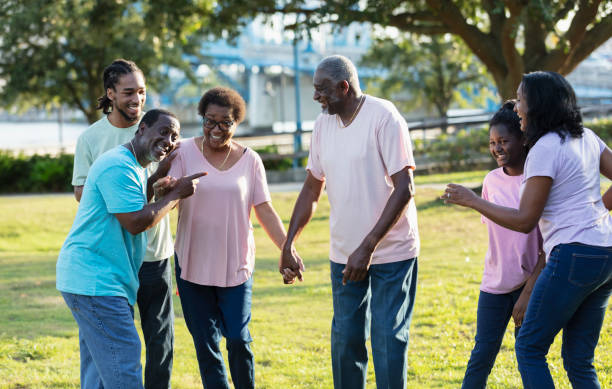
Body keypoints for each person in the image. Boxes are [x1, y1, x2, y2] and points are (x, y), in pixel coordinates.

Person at [443, 71, 612, 389]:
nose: (516, 106)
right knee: (579, 360)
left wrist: (472, 200)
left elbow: (525, 221)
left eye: (521, 99)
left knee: (529, 348)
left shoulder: (545, 148)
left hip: (571, 255)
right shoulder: (586, 137)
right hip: (605, 255)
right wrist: (597, 213)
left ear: (537, 105)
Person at [280, 55, 419, 389]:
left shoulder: (384, 117)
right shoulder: (323, 125)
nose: (316, 97)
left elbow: (405, 189)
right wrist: (289, 243)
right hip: (344, 254)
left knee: (387, 341)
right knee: (345, 342)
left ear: (344, 87)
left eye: (322, 90)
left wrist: (367, 247)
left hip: (391, 253)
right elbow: (312, 188)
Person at [57, 109, 205, 388]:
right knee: (123, 363)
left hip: (95, 280)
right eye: (163, 131)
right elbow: (136, 222)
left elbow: (132, 207)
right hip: (95, 281)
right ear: (141, 129)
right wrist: (175, 195)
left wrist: (155, 180)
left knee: (99, 371)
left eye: (175, 137)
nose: (169, 140)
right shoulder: (118, 166)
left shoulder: (133, 166)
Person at [168, 87, 287, 389]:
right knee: (206, 345)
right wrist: (167, 187)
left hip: (235, 265)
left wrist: (287, 249)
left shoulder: (251, 161)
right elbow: (165, 192)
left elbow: (264, 209)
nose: (216, 129)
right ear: (202, 119)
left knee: (237, 338)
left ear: (237, 123)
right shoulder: (183, 151)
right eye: (210, 121)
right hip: (192, 265)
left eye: (225, 123)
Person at [71, 59, 175, 389]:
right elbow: (82, 193)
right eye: (129, 92)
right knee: (108, 344)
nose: (137, 99)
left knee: (159, 341)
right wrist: (129, 196)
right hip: (113, 257)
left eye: (142, 92)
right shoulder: (92, 139)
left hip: (155, 252)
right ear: (110, 93)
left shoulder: (160, 129)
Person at [460, 101, 546, 388]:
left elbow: (548, 243)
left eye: (504, 141)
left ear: (523, 139)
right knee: (482, 354)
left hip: (530, 283)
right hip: (494, 284)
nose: (496, 148)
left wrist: (528, 292)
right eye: (492, 143)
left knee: (528, 357)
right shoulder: (490, 181)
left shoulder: (538, 181)